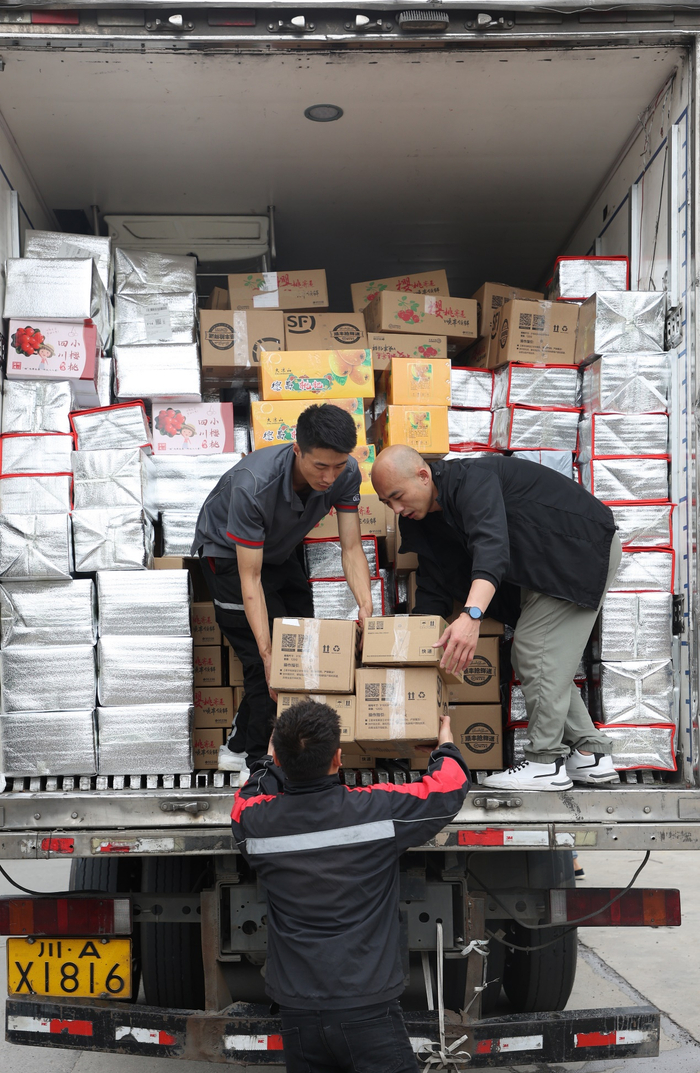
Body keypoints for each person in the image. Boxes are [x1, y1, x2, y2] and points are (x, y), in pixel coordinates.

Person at [232, 699, 470, 1073]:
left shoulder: (256, 823)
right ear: (339, 759)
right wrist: (444, 746)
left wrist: (267, 764)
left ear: (278, 758)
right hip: (367, 1008)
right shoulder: (377, 811)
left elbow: (246, 798)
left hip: (297, 1013)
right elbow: (448, 788)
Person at [371, 445, 622, 792]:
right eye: (386, 503)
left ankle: (545, 763)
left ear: (423, 475)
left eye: (397, 496)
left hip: (577, 549)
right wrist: (407, 650)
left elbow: (492, 547)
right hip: (542, 567)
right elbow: (433, 584)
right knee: (537, 654)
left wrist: (472, 615)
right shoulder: (421, 520)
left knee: (536, 651)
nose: (396, 508)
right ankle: (590, 754)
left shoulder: (472, 480)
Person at [192, 403, 374, 768]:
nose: (329, 477)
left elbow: (351, 548)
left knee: (301, 649)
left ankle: (238, 744)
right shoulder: (254, 485)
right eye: (320, 466)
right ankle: (258, 763)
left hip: (279, 551)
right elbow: (251, 578)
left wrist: (367, 610)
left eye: (337, 466)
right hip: (231, 558)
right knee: (271, 666)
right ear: (297, 450)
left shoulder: (346, 473)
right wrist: (267, 651)